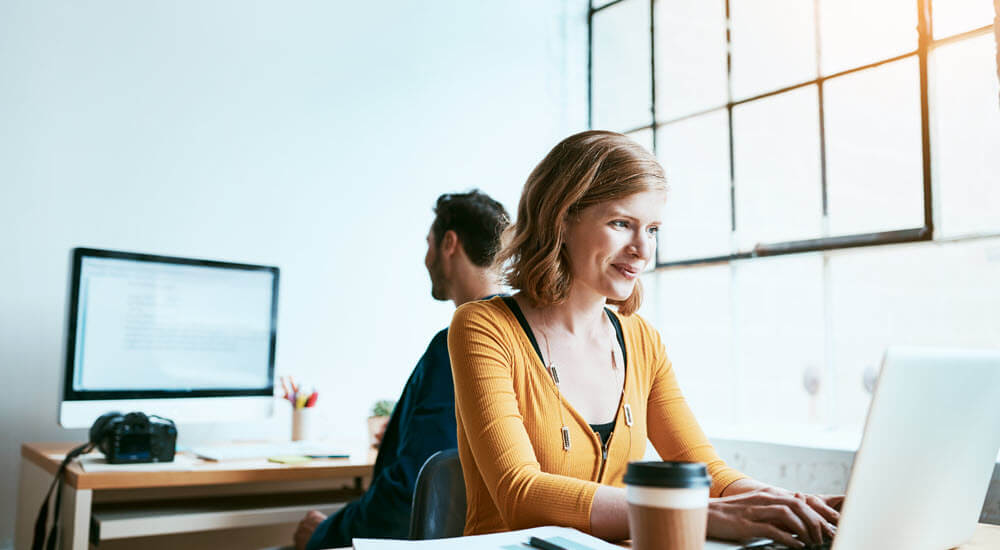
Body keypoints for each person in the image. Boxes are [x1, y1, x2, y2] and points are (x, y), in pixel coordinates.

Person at [447, 131, 843, 549]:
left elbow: (703, 469)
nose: (642, 249)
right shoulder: (483, 327)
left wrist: (797, 505)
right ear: (560, 220)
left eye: (652, 229)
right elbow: (520, 494)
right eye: (622, 224)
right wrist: (700, 515)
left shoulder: (641, 340)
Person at [294, 190, 510, 550]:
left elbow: (412, 488)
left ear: (449, 243)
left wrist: (323, 534)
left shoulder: (460, 343)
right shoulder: (519, 335)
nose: (426, 259)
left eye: (429, 244)